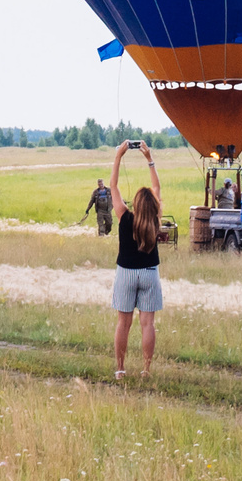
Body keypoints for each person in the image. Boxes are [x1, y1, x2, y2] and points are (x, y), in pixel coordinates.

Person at [107, 140, 164, 379]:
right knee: (147, 324)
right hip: (150, 273)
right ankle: (146, 369)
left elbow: (113, 186)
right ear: (152, 205)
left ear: (136, 204)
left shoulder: (124, 217)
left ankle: (120, 369)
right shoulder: (155, 217)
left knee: (123, 324)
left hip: (126, 273)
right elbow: (157, 188)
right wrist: (149, 159)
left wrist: (119, 156)